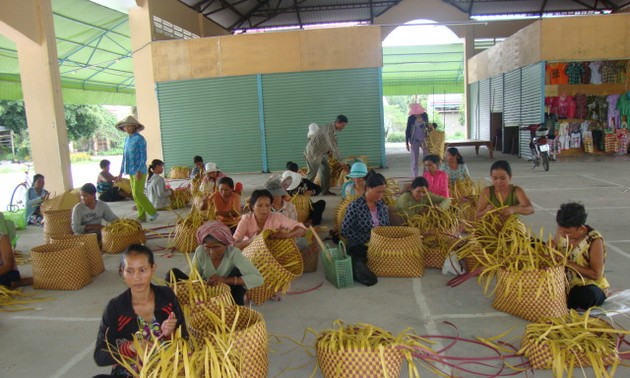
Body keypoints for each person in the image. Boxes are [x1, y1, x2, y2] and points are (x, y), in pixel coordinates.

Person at [94, 244, 186, 377]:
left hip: (167, 369)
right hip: (131, 373)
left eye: (142, 270)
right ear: (122, 271)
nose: (136, 278)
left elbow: (186, 337)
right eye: (130, 271)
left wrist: (169, 334)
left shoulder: (166, 296)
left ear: (152, 268)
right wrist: (130, 347)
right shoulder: (115, 307)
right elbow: (100, 356)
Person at [168, 221, 263, 306]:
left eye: (216, 247)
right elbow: (194, 277)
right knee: (172, 274)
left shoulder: (233, 253)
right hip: (204, 289)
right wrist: (204, 284)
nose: (211, 251)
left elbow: (257, 278)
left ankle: (234, 304)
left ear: (226, 245)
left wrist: (225, 280)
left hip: (227, 291)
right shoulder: (200, 251)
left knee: (238, 273)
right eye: (207, 247)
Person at [554, 203, 609, 310]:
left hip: (587, 286)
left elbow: (596, 274)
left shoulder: (594, 240)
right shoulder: (562, 231)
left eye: (568, 232)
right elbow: (555, 247)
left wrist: (568, 263)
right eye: (560, 230)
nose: (563, 234)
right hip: (562, 283)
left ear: (581, 229)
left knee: (587, 295)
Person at [341, 172, 390, 286]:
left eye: (383, 192)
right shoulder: (355, 206)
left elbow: (386, 226)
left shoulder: (382, 205)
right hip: (360, 245)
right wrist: (370, 237)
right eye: (378, 192)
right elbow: (345, 230)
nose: (381, 195)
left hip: (380, 244)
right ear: (368, 188)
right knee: (368, 277)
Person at [117, 115, 159, 223]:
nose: (126, 128)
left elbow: (143, 156)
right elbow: (125, 157)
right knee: (135, 194)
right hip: (130, 170)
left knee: (138, 193)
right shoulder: (127, 139)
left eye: (128, 126)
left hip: (139, 171)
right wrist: (120, 172)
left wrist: (139, 171)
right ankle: (141, 215)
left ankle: (153, 212)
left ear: (134, 126)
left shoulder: (140, 139)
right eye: (124, 127)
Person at [233, 189, 306, 250]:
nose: (264, 209)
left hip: (271, 255)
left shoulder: (277, 217)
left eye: (267, 205)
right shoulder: (246, 219)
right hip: (251, 253)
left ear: (271, 206)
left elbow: (302, 229)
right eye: (260, 205)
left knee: (302, 243)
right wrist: (251, 240)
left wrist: (287, 235)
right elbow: (234, 245)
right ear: (252, 207)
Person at [304, 114, 348, 196]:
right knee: (312, 174)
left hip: (319, 153)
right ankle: (303, 192)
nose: (343, 127)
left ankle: (324, 191)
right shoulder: (329, 131)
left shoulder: (331, 128)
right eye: (343, 125)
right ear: (338, 123)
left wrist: (328, 151)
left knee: (326, 170)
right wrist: (342, 162)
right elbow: (334, 148)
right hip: (313, 153)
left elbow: (326, 143)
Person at [405, 109, 428, 177]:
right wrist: (407, 143)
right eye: (414, 113)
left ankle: (425, 176)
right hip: (414, 140)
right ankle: (415, 177)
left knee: (426, 158)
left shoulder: (425, 116)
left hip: (424, 140)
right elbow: (407, 130)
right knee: (414, 160)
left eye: (416, 113)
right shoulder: (411, 118)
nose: (415, 114)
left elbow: (427, 126)